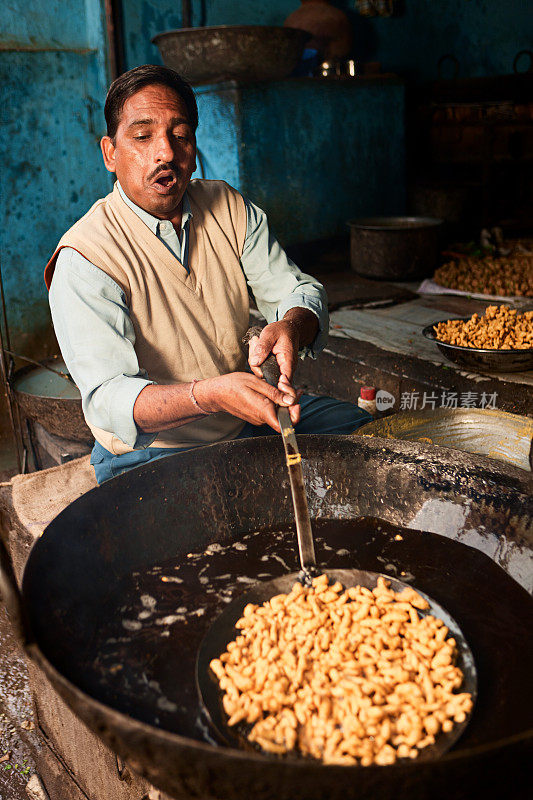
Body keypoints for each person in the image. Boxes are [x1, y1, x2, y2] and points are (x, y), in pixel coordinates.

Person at [45, 65, 370, 483]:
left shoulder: (227, 206)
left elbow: (295, 288)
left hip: (242, 423)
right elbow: (109, 398)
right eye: (143, 136)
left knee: (367, 437)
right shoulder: (86, 255)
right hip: (150, 454)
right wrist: (211, 395)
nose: (165, 153)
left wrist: (292, 325)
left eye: (180, 136)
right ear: (110, 153)